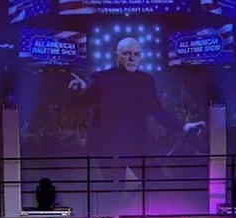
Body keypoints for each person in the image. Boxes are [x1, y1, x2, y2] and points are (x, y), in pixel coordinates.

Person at [68, 37, 205, 158]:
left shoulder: (146, 80)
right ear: (117, 56)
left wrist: (184, 126)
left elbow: (158, 112)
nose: (132, 58)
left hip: (137, 144)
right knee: (115, 186)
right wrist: (79, 90)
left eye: (136, 54)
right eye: (126, 53)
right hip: (108, 147)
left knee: (155, 181)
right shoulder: (101, 78)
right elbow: (83, 101)